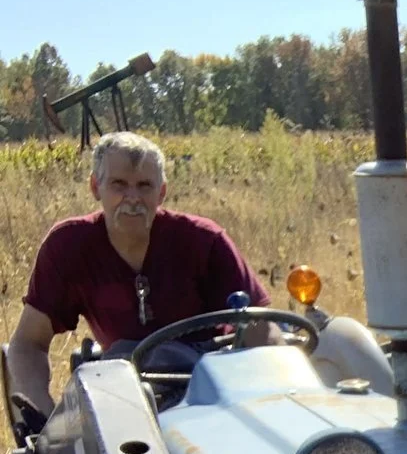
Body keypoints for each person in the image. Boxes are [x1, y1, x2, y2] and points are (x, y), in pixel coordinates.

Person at [4, 131, 273, 419]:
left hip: (209, 387)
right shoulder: (68, 246)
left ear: (162, 192)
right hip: (125, 391)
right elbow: (27, 344)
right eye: (119, 184)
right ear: (96, 187)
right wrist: (44, 418)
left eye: (145, 186)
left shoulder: (204, 241)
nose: (132, 198)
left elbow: (262, 330)